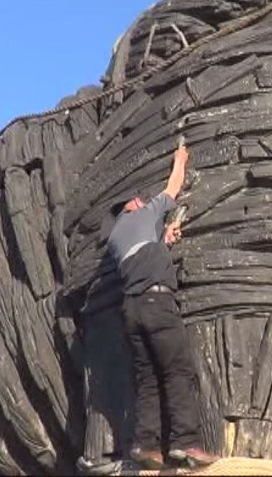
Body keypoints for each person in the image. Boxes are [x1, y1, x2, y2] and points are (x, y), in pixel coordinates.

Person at [107, 142, 219, 470]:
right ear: (132, 204)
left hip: (132, 310)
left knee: (147, 379)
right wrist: (179, 160)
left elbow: (143, 252)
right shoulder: (144, 212)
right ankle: (186, 444)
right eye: (137, 198)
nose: (141, 199)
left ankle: (147, 446)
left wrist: (163, 239)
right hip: (158, 304)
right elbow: (173, 187)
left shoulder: (116, 239)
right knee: (177, 371)